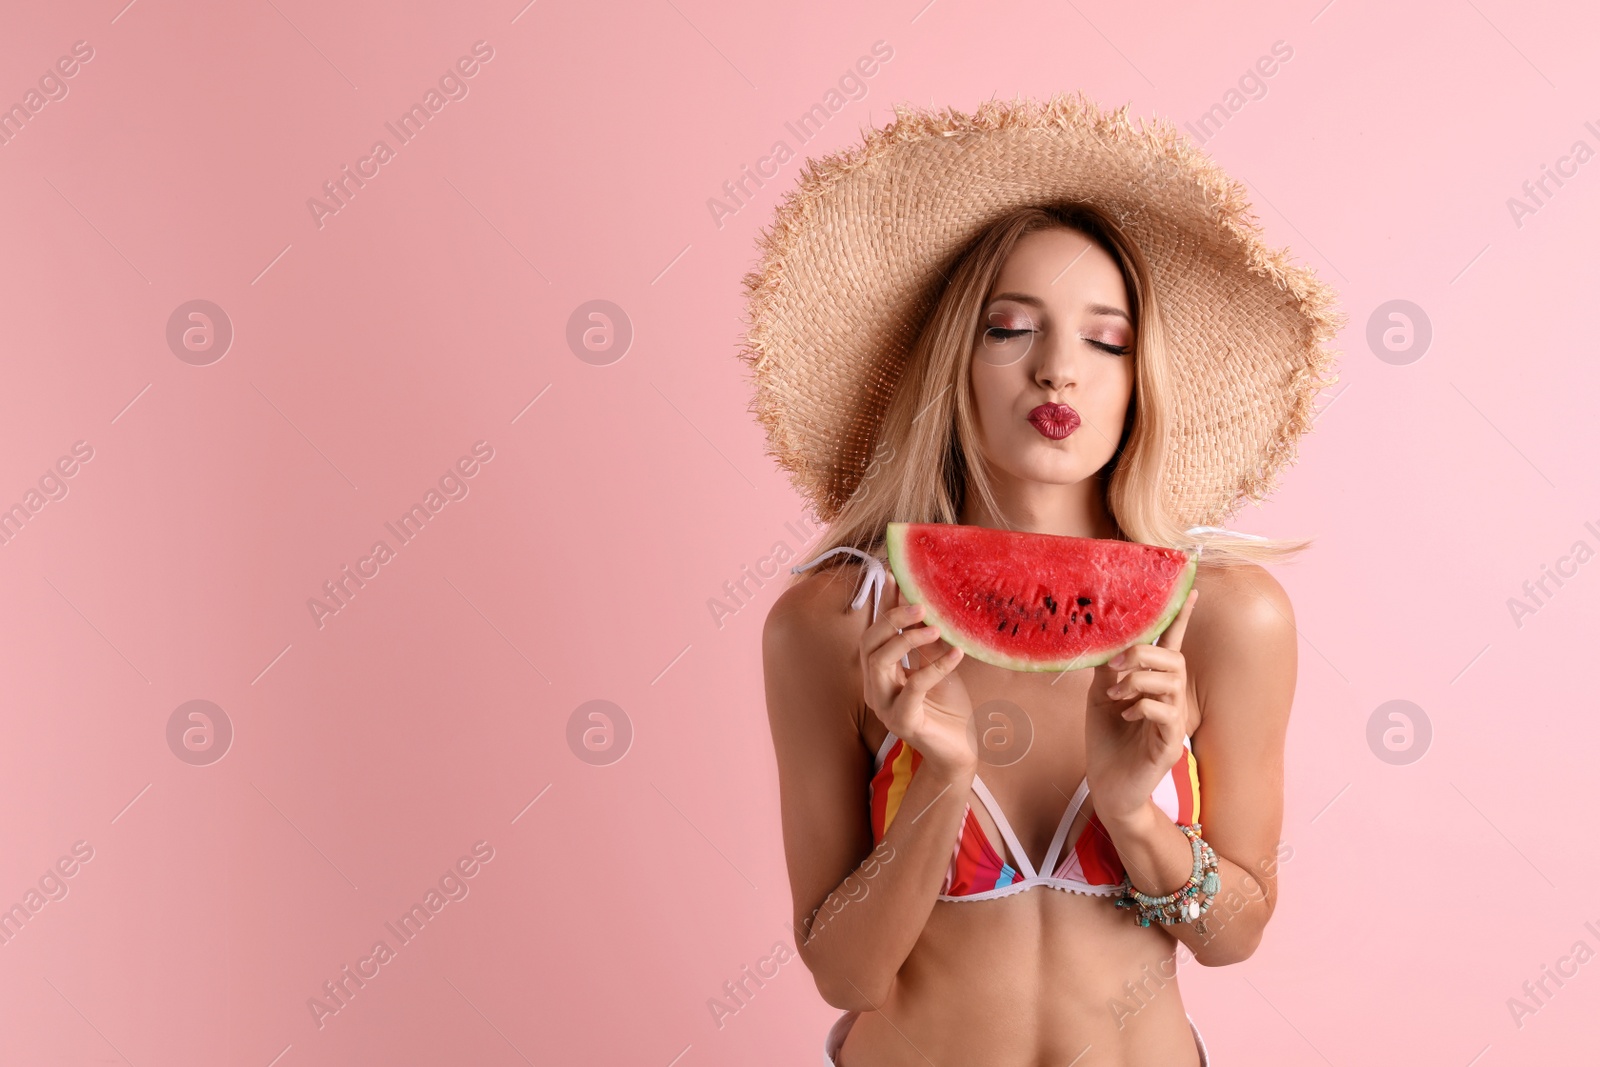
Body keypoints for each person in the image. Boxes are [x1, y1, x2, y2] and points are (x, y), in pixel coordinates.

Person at [739, 94, 1344, 1066]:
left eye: (1104, 339)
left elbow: (1232, 934)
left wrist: (1133, 809)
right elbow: (848, 977)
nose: (1060, 369)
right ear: (953, 365)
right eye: (1010, 328)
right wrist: (940, 774)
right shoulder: (833, 620)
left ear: (1137, 377)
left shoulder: (1227, 614)